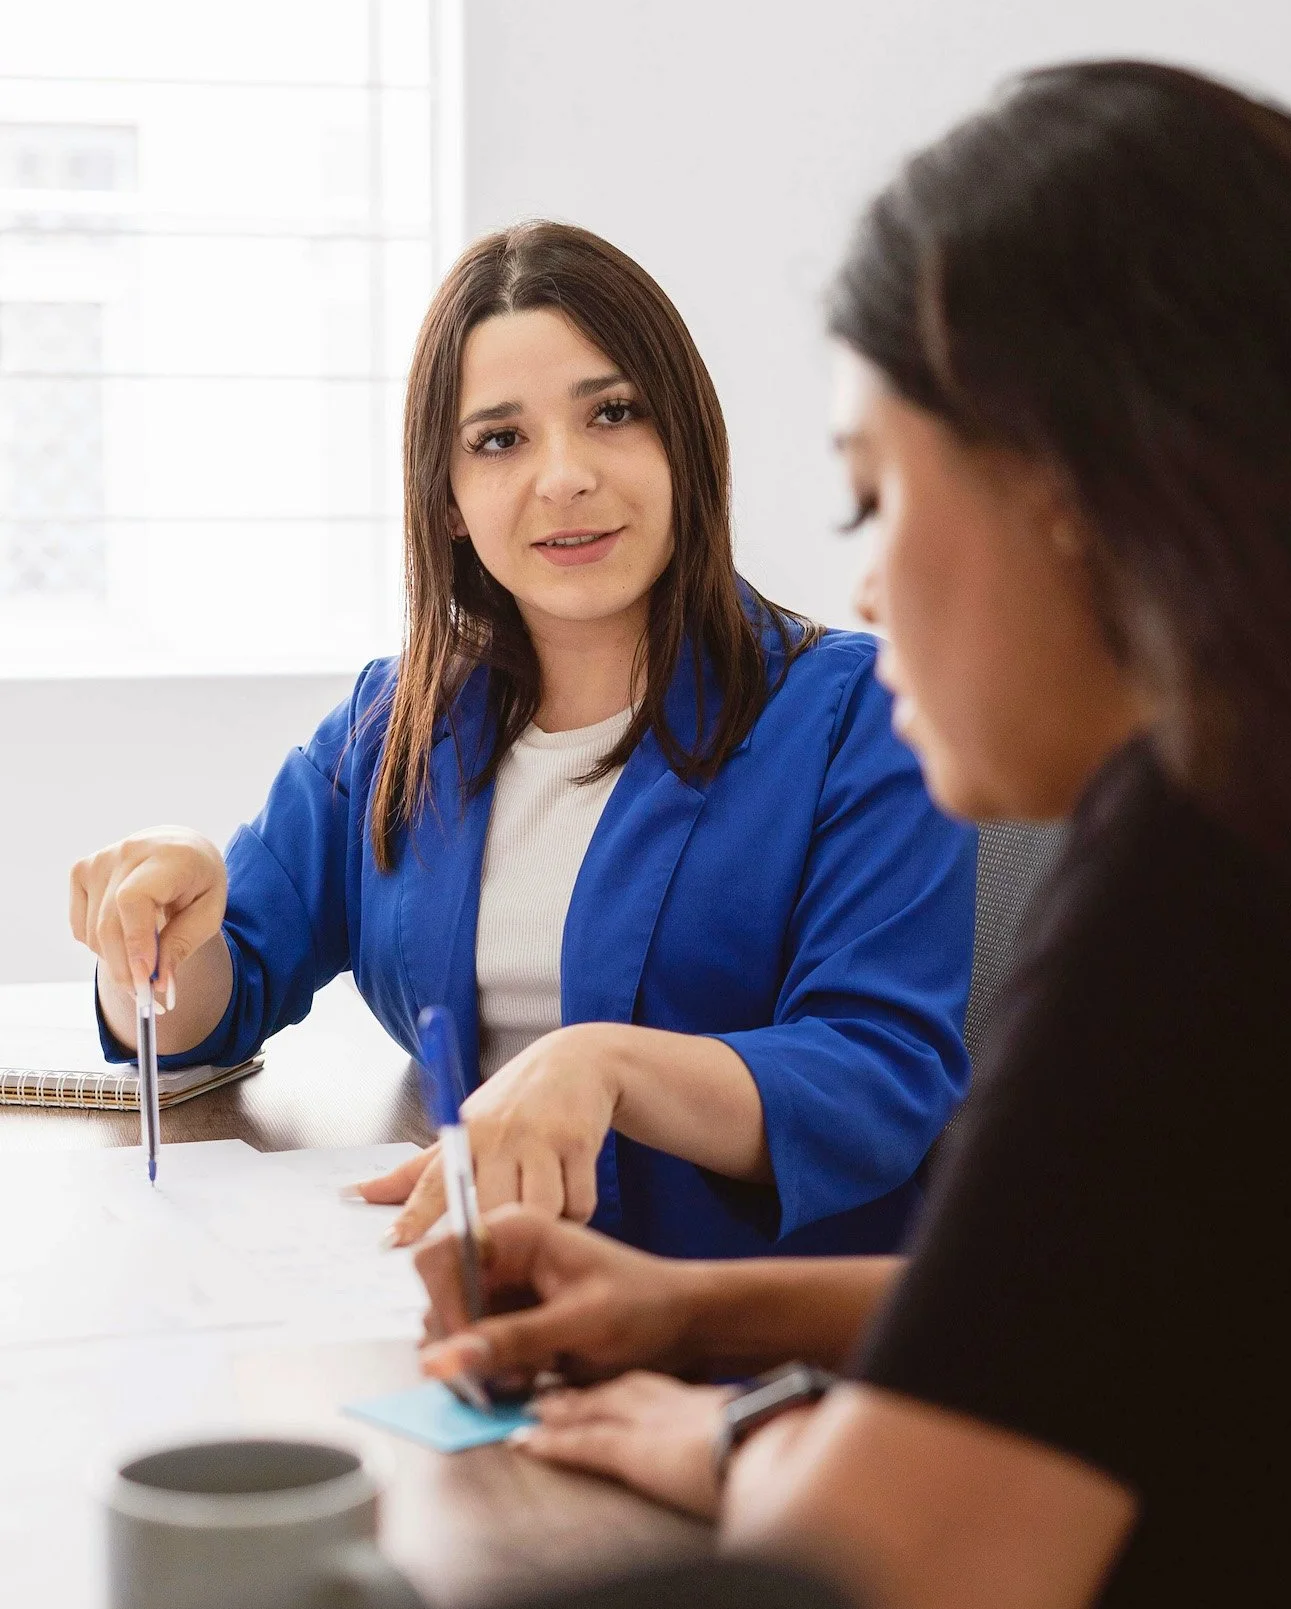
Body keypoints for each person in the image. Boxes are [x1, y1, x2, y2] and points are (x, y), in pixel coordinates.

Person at [415, 68, 1291, 1609]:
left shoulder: (1214, 867)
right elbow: (1197, 1307)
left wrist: (735, 1430)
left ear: (1070, 491)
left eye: (873, 493)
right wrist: (711, 1302)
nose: (861, 579)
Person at [69, 223, 974, 1258]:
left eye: (615, 413)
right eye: (499, 439)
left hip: (742, 1345)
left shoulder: (860, 716)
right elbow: (205, 1016)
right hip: (469, 1300)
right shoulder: (391, 725)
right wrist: (153, 926)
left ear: (684, 437)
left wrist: (607, 1068)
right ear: (447, 501)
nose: (565, 476)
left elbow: (879, 1076)